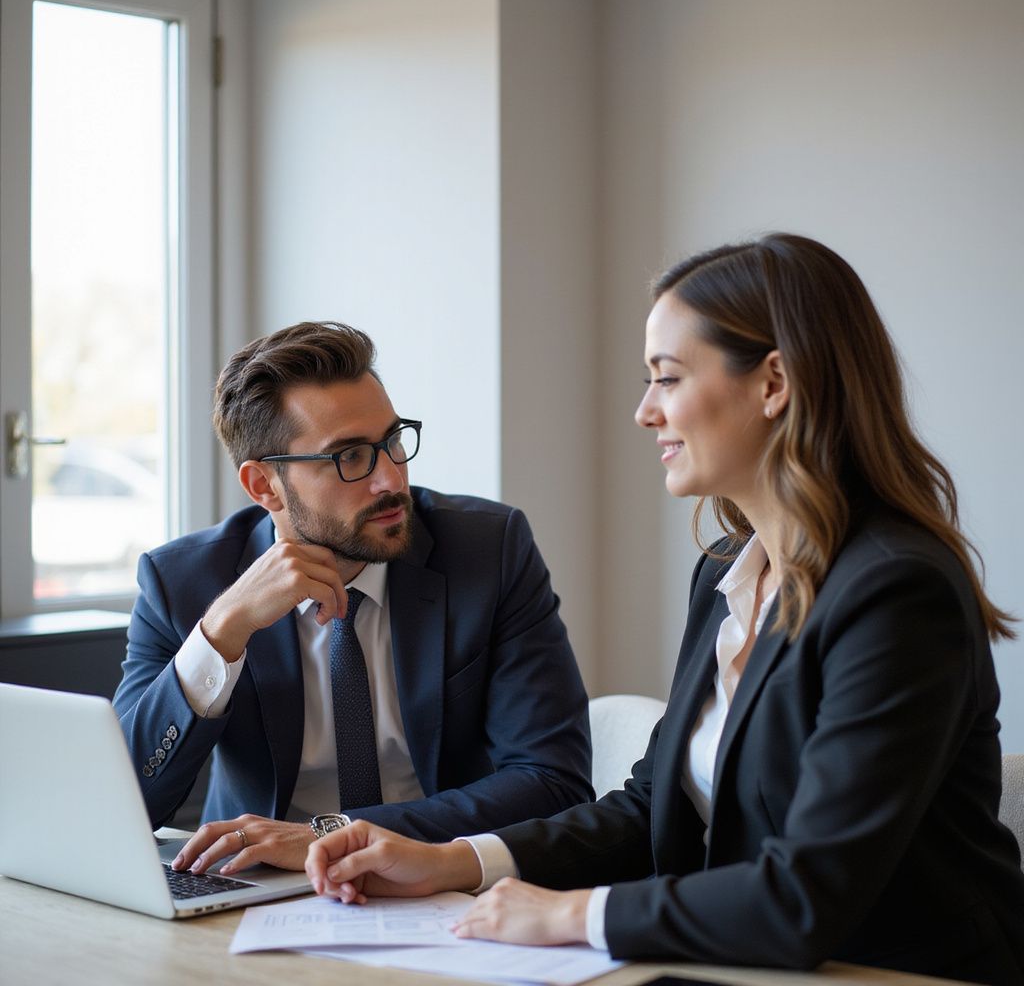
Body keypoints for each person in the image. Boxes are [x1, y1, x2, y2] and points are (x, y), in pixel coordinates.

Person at [304, 235, 1024, 985]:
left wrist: (569, 915)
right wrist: (456, 862)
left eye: (667, 378)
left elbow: (810, 893)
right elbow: (653, 804)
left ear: (774, 381)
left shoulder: (897, 591)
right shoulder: (726, 573)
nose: (645, 411)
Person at [112, 321, 592, 876]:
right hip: (252, 888)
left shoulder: (487, 551)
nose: (390, 480)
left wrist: (331, 834)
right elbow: (128, 802)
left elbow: (553, 781)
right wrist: (219, 636)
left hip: (436, 878)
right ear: (264, 486)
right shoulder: (183, 582)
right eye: (349, 457)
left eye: (392, 442)